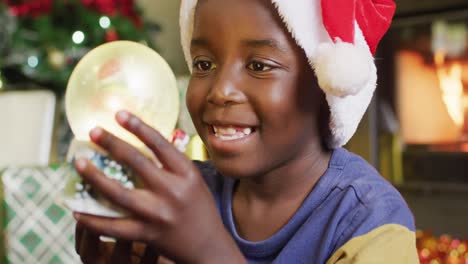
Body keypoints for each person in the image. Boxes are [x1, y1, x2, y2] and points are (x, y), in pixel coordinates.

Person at [74, 0, 419, 263]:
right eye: (203, 64)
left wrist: (209, 250)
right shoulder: (184, 195)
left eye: (259, 66)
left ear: (326, 86)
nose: (220, 90)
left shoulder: (370, 222)